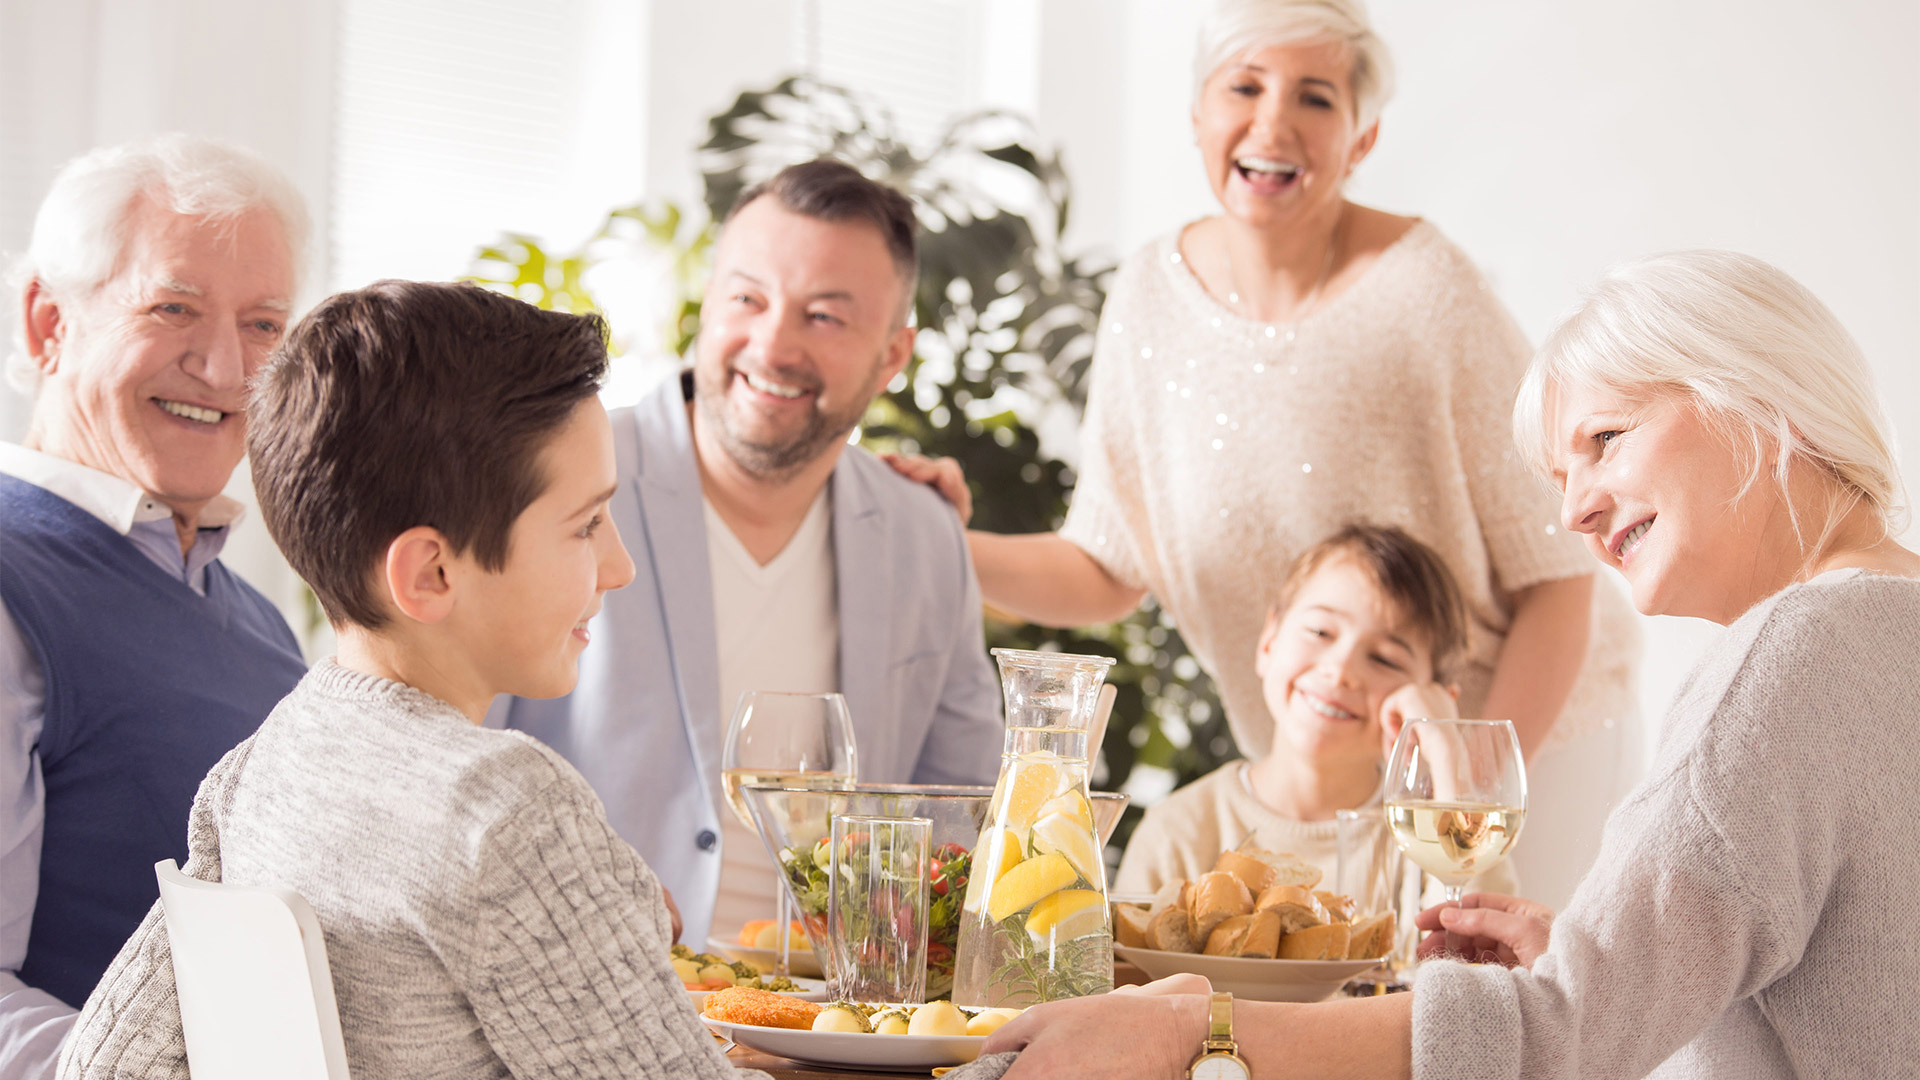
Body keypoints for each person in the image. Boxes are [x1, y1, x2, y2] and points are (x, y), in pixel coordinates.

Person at [975, 250, 1920, 1079]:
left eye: (1606, 439)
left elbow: (1559, 1042)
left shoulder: (1788, 659)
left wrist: (1192, 1036)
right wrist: (1591, 964)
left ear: (1754, 390)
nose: (1574, 513)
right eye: (1561, 477)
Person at [891, 0, 1639, 910]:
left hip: (1524, 748)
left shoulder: (1427, 289)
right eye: (1243, 87)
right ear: (1199, 114)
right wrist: (925, 540)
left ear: (1361, 138)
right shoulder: (1149, 298)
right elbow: (1105, 566)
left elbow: (1559, 578)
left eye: (1315, 98)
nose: (1273, 123)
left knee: (1496, 1024)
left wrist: (1465, 786)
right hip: (1328, 750)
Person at [59, 281, 763, 1079]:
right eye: (585, 525)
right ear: (429, 572)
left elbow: (104, 1063)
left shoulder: (256, 771)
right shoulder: (504, 810)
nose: (620, 566)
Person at [492, 158, 1003, 946]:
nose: (773, 344)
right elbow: (453, 758)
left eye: (825, 317)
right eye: (747, 298)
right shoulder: (559, 479)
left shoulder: (925, 534)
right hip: (594, 1006)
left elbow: (966, 817)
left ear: (893, 357)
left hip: (839, 1031)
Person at [0, 135, 310, 1076]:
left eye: (264, 326)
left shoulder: (267, 628)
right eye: (173, 307)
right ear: (49, 324)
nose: (224, 369)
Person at [1113, 523, 1512, 899]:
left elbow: (1473, 960)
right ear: (1269, 641)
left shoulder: (1421, 841)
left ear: (1433, 696)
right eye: (1321, 632)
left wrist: (1445, 747)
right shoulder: (1179, 832)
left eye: (1384, 659)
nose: (1340, 671)